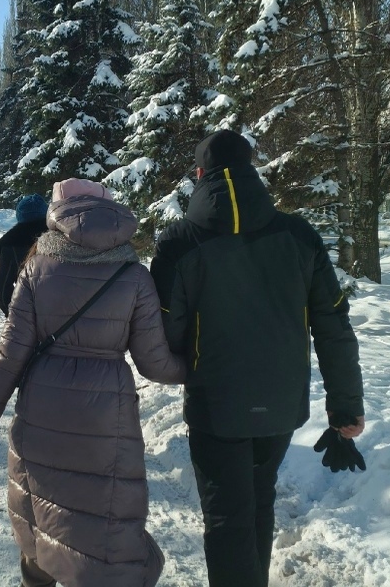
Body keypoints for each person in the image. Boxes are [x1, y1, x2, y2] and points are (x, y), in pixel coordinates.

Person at [150, 129, 365, 587]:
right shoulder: (298, 235)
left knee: (227, 517)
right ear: (252, 170)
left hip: (215, 403)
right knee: (258, 499)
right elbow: (333, 325)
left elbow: (168, 328)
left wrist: (193, 356)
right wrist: (346, 404)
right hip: (281, 402)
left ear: (200, 174)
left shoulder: (179, 243)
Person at [0, 178, 186, 587]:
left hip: (42, 408)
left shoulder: (38, 266)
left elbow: (11, 351)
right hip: (108, 415)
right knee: (101, 518)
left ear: (58, 213)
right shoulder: (134, 274)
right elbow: (155, 364)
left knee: (42, 510)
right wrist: (198, 368)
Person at [0, 194, 48, 315]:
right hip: (68, 315)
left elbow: (1, 287)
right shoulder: (64, 239)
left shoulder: (12, 244)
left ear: (19, 215)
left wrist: (15, 315)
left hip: (29, 313)